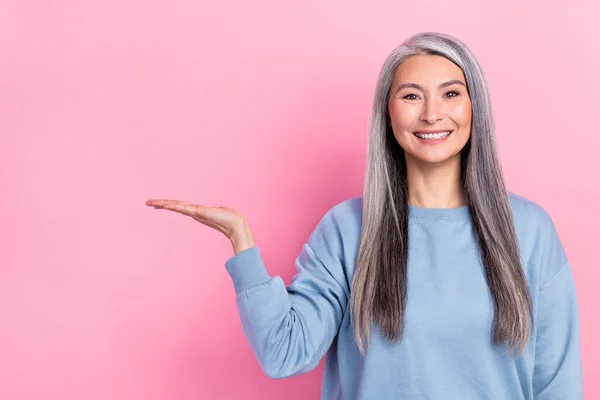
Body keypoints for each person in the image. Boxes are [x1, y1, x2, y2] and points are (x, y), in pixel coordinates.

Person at [145, 32, 583, 399]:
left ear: (474, 108)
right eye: (411, 96)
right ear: (388, 114)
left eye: (451, 93)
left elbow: (557, 383)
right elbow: (285, 353)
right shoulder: (347, 230)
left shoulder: (529, 230)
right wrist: (241, 242)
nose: (432, 113)